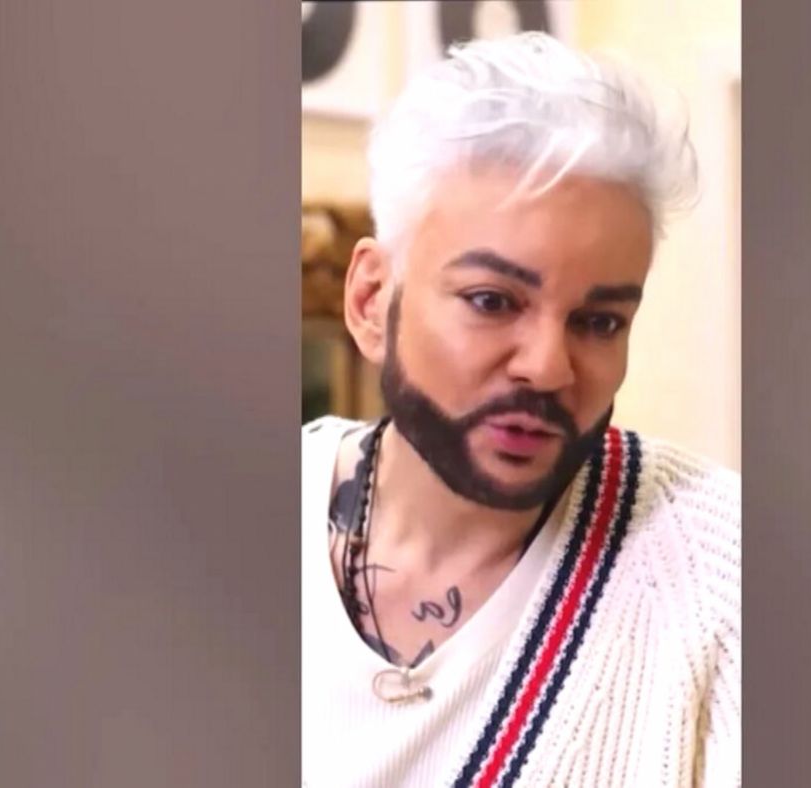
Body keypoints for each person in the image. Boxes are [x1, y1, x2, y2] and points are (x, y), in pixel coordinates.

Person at [301, 32, 741, 787]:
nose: (547, 366)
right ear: (372, 300)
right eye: (492, 301)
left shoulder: (721, 575)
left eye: (598, 321)